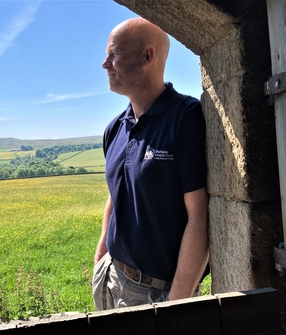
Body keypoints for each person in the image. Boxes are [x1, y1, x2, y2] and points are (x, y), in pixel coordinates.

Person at [92, 17, 209, 310]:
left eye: (114, 54)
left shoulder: (186, 118)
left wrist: (176, 303)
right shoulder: (114, 128)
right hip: (111, 280)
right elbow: (116, 193)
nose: (105, 64)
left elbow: (200, 215)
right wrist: (101, 255)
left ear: (147, 56)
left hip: (157, 296)